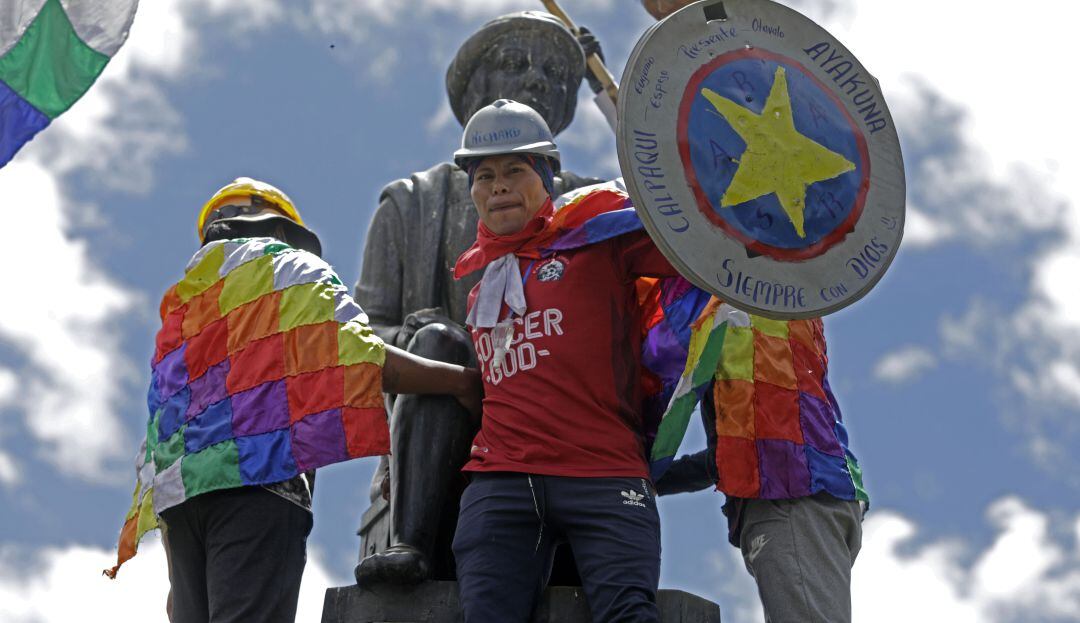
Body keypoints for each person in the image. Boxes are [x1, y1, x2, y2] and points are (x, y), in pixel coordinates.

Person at [107, 177, 481, 623]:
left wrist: (177, 576)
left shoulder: (183, 309)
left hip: (185, 515)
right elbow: (354, 352)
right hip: (260, 489)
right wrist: (459, 381)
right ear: (282, 229)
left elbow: (162, 451)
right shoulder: (287, 268)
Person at [353, 11, 604, 585]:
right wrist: (429, 342)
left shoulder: (591, 206)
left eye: (554, 73)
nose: (538, 79)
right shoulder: (412, 202)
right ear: (475, 93)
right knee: (439, 342)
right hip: (451, 422)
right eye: (516, 63)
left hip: (559, 420)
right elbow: (361, 342)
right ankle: (412, 544)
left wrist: (629, 94)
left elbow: (672, 205)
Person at [448, 99, 681, 622]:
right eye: (484, 175)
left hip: (605, 474)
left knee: (628, 616)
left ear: (547, 179)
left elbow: (691, 240)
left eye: (514, 170)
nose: (498, 185)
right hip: (501, 482)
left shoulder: (600, 241)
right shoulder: (479, 289)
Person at [656, 311, 868, 623]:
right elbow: (737, 448)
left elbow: (749, 441)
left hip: (793, 497)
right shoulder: (789, 309)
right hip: (817, 492)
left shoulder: (737, 312)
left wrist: (641, 473)